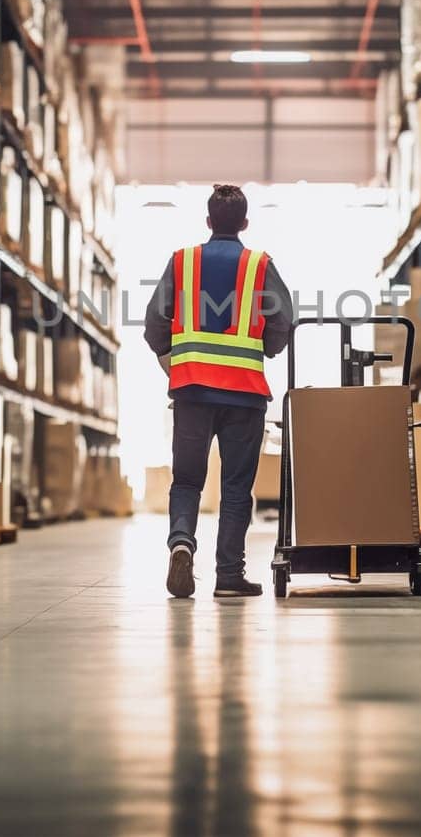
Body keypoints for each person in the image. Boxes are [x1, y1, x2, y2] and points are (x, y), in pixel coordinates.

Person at [143, 184, 295, 598]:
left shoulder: (183, 262)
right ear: (244, 223)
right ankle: (229, 575)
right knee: (235, 487)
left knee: (188, 480)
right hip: (244, 395)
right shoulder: (259, 265)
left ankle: (181, 542)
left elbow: (154, 324)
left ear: (208, 222)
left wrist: (174, 362)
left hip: (192, 392)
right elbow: (283, 325)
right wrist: (263, 347)